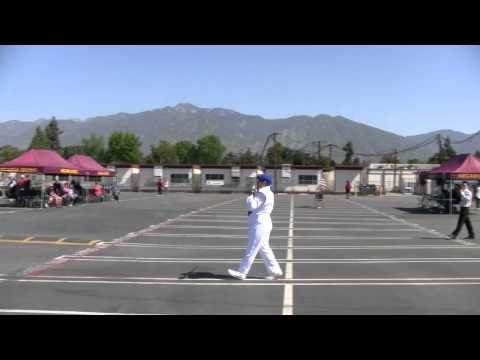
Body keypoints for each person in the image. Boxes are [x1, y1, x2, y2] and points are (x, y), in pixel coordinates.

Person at [228, 174, 283, 280]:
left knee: (252, 248)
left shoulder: (262, 193)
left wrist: (251, 194)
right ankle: (275, 271)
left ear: (264, 183)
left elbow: (251, 206)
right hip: (263, 223)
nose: (257, 182)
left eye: (259, 181)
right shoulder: (268, 192)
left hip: (260, 224)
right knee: (264, 248)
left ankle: (242, 272)